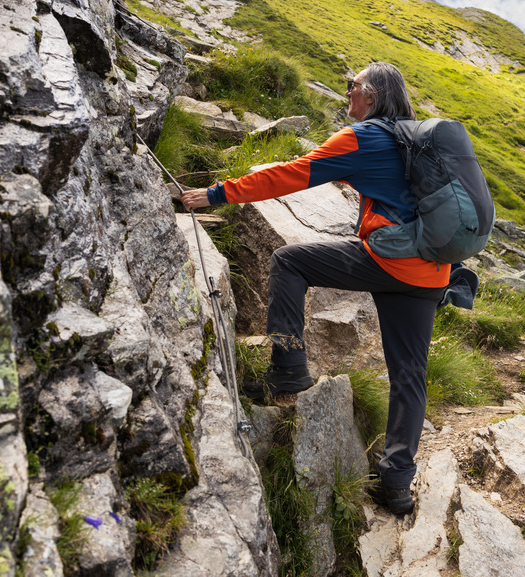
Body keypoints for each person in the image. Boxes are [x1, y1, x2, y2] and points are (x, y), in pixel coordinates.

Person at [180, 62, 457, 515]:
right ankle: (396, 485)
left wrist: (216, 194)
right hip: (432, 272)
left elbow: (290, 174)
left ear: (371, 95)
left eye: (352, 85)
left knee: (289, 261)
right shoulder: (417, 140)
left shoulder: (363, 138)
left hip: (390, 261)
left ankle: (288, 366)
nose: (346, 92)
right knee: (410, 376)